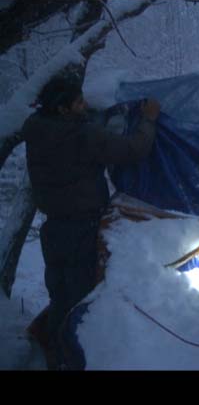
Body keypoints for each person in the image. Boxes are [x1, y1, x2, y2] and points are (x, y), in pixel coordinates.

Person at [22, 72, 161, 369]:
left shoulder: (37, 130)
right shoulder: (82, 135)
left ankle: (53, 355)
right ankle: (71, 362)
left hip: (53, 228)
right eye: (79, 102)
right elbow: (133, 150)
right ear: (63, 109)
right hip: (80, 228)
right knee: (79, 298)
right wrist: (148, 120)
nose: (85, 106)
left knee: (59, 294)